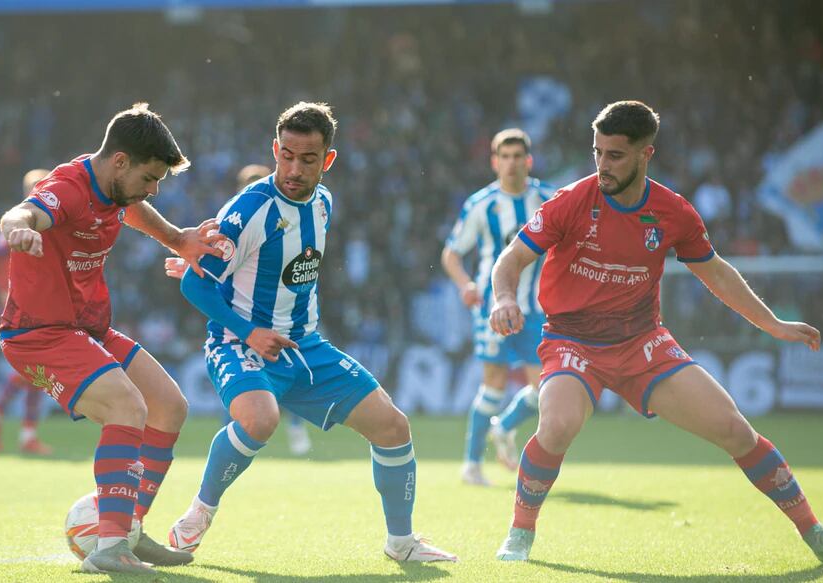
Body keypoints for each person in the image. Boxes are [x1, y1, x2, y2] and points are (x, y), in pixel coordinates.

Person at [489, 100, 823, 564]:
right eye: (597, 152)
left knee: (735, 430)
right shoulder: (572, 200)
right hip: (573, 341)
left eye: (614, 155)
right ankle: (520, 532)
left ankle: (813, 531)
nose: (602, 164)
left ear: (645, 154)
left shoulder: (673, 212)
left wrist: (771, 323)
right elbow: (510, 260)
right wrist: (505, 298)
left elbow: (714, 273)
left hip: (642, 342)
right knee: (556, 425)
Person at [164, 102, 457, 563]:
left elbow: (280, 267)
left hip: (303, 346)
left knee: (393, 427)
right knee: (260, 420)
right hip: (239, 342)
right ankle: (199, 513)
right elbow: (193, 285)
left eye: (308, 159)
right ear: (274, 149)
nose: (294, 169)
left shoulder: (323, 202)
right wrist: (250, 330)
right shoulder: (249, 208)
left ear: (329, 160)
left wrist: (229, 267)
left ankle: (401, 543)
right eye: (287, 156)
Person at [0, 103, 223, 574]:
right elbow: (21, 213)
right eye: (151, 176)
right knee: (128, 407)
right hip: (39, 335)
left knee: (169, 406)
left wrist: (179, 239)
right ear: (120, 161)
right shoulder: (66, 188)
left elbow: (132, 208)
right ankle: (109, 548)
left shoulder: (114, 191)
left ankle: (129, 530)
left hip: (85, 329)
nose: (154, 188)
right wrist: (19, 230)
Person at [441, 129, 552, 486]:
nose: (512, 163)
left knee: (544, 389)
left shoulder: (548, 199)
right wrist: (466, 285)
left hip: (536, 308)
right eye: (505, 156)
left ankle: (503, 427)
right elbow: (451, 253)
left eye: (518, 156)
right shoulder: (482, 204)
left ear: (528, 160)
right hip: (494, 308)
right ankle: (472, 464)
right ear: (494, 162)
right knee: (493, 385)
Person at [219, 163, 314, 456]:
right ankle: (232, 438)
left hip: (274, 319)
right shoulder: (232, 218)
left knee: (283, 380)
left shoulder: (284, 218)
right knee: (241, 387)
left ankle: (296, 428)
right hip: (238, 322)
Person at [0, 168, 53, 455]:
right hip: (20, 303)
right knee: (35, 367)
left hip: (40, 301)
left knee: (38, 369)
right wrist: (3, 288)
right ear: (28, 190)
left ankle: (21, 430)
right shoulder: (18, 219)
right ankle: (2, 418)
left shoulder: (47, 220)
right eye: (38, 186)